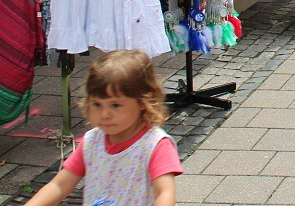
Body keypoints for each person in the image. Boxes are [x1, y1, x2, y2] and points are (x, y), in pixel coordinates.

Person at [26, 50, 182, 206]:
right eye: (97, 104)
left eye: (115, 105)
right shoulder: (93, 141)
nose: (105, 114)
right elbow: (59, 185)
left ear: (143, 101)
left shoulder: (154, 145)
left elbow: (165, 193)